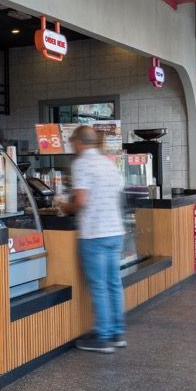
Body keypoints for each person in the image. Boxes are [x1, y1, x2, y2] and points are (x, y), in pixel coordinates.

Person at [61, 125, 127, 353]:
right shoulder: (108, 163)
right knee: (113, 283)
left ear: (78, 142)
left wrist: (64, 206)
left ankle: (103, 336)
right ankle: (117, 332)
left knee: (99, 286)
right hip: (115, 231)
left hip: (95, 233)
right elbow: (118, 192)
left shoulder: (82, 163)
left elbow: (81, 201)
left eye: (72, 142)